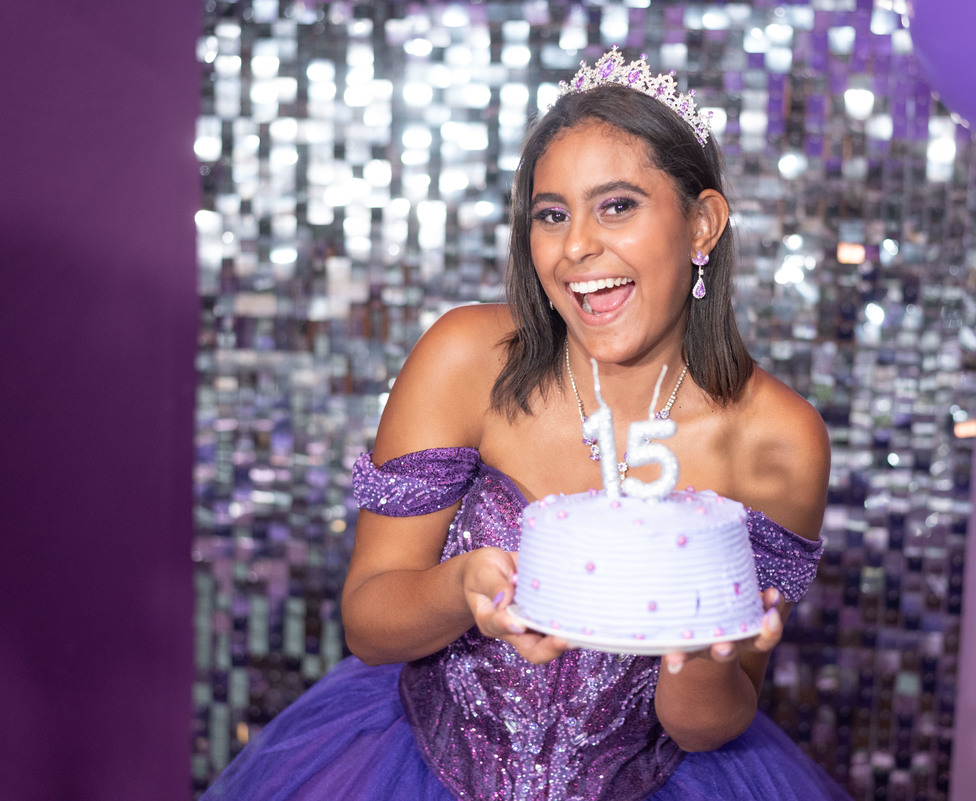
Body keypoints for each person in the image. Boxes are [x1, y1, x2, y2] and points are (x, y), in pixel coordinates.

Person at [202, 48, 846, 801]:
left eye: (617, 206)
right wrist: (464, 588)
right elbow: (369, 626)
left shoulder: (779, 437)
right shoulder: (466, 358)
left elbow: (707, 726)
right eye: (551, 215)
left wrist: (701, 653)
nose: (576, 247)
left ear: (702, 223)